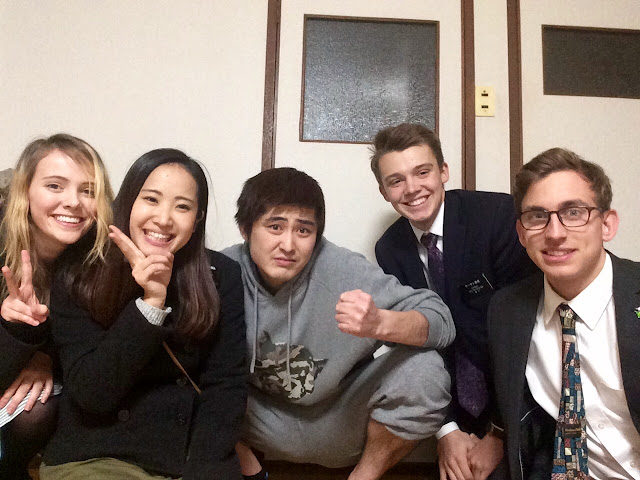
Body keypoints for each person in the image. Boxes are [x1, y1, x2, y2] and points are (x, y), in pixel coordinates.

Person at [223, 167, 455, 480]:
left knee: (425, 369)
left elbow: (441, 320)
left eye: (303, 230)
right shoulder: (222, 272)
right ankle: (250, 470)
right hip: (258, 421)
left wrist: (380, 322)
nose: (288, 245)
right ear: (245, 228)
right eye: (275, 227)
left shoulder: (342, 269)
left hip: (339, 419)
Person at [39, 149, 247, 479]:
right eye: (151, 199)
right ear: (127, 203)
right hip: (100, 455)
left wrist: (205, 466)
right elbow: (92, 394)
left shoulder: (221, 275)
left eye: (182, 207)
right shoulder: (79, 271)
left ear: (197, 220)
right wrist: (151, 303)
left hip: (190, 457)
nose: (164, 219)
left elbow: (226, 386)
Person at [371, 123, 536, 480]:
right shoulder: (389, 249)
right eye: (396, 180)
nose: (411, 188)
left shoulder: (496, 217)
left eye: (422, 172)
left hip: (520, 397)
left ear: (444, 171)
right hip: (453, 407)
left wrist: (499, 432)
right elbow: (413, 342)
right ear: (384, 192)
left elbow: (526, 330)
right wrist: (445, 431)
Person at [488, 148, 640, 479]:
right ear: (521, 233)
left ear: (607, 224)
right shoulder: (507, 311)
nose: (554, 233)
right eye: (537, 216)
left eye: (573, 212)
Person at [0, 133, 113, 479]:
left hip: (35, 390)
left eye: (88, 191)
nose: (73, 202)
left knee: (37, 410)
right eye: (54, 186)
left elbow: (94, 359)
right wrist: (13, 329)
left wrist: (45, 356)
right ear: (25, 192)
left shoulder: (99, 258)